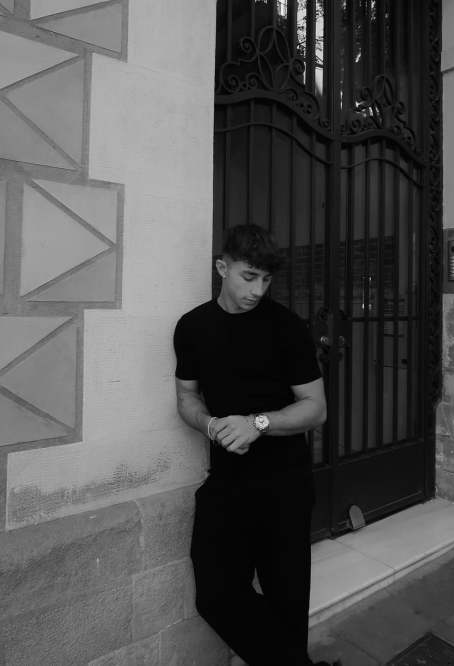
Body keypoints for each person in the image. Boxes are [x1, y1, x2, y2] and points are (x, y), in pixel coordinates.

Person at [174, 224, 337, 666]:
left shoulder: (286, 327)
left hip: (285, 485)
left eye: (265, 280)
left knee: (287, 604)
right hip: (226, 482)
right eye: (248, 277)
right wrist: (210, 426)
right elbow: (186, 396)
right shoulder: (192, 327)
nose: (257, 291)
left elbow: (316, 408)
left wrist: (257, 423)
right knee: (215, 594)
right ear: (222, 268)